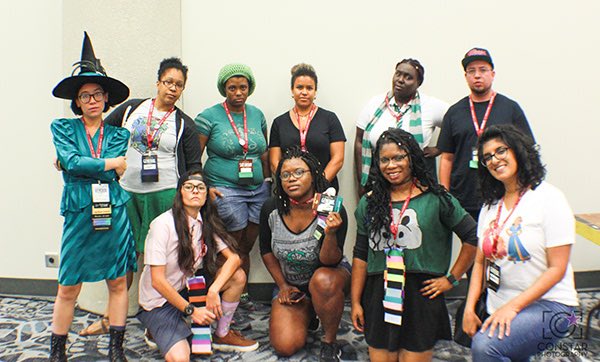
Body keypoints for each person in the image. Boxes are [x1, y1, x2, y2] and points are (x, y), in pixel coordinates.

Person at [82, 57, 202, 338]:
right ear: (158, 82)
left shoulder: (184, 123)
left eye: (179, 85)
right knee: (124, 259)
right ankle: (112, 318)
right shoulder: (132, 109)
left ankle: (161, 319)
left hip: (165, 197)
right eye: (169, 82)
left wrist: (199, 189)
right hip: (127, 195)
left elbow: (194, 164)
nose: (173, 88)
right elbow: (101, 131)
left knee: (164, 262)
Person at [351, 128, 477, 362]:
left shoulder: (438, 199)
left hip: (422, 293)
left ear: (413, 158)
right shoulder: (368, 204)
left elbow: (473, 237)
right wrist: (356, 301)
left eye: (398, 157)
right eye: (385, 159)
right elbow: (360, 255)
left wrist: (452, 279)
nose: (391, 165)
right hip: (380, 291)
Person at [49, 32, 136, 361]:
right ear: (77, 102)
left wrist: (79, 166)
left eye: (98, 94)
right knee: (68, 286)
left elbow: (78, 166)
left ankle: (116, 349)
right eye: (85, 96)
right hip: (77, 213)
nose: (93, 100)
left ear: (106, 98)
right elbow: (71, 162)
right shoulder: (62, 128)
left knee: (117, 282)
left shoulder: (119, 133)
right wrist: (111, 163)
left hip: (112, 212)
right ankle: (57, 352)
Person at [462, 125, 578, 361]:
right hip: (500, 305)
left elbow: (558, 268)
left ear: (518, 150)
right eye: (487, 157)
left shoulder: (549, 198)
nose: (495, 159)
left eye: (501, 150)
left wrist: (513, 307)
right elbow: (479, 262)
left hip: (551, 305)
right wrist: (469, 306)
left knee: (486, 348)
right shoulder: (489, 206)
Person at [137, 169, 259, 361]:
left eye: (201, 188)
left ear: (206, 195)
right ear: (180, 193)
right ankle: (155, 328)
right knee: (181, 358)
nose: (195, 191)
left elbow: (234, 259)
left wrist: (213, 290)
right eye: (189, 187)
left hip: (188, 288)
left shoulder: (204, 222)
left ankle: (222, 333)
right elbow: (157, 282)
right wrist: (191, 311)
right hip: (160, 301)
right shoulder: (162, 225)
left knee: (237, 276)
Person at [259, 147, 350, 361]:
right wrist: (282, 285)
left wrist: (330, 234)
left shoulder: (332, 209)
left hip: (328, 277)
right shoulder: (271, 208)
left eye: (299, 172)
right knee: (285, 345)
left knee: (322, 281)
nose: (292, 179)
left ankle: (329, 341)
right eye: (285, 175)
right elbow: (266, 250)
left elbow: (330, 260)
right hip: (291, 284)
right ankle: (309, 311)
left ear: (314, 175)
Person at [195, 64, 270, 309]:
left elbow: (264, 152)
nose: (238, 92)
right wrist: (204, 187)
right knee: (231, 245)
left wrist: (269, 182)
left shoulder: (257, 114)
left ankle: (242, 293)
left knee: (247, 245)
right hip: (225, 188)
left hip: (258, 190)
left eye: (243, 87)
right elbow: (195, 155)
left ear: (250, 88)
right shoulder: (209, 117)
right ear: (223, 89)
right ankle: (222, 292)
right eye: (232, 87)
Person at [437, 47, 534, 221]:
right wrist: (445, 195)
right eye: (471, 71)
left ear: (493, 74)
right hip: (464, 198)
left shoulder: (511, 108)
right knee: (471, 246)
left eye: (483, 70)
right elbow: (447, 158)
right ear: (466, 76)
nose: (477, 75)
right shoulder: (454, 112)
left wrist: (526, 188)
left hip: (504, 194)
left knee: (501, 245)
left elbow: (527, 151)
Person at [355, 59, 448, 194]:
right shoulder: (375, 103)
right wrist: (361, 180)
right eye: (398, 74)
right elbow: (359, 139)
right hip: (379, 179)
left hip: (418, 183)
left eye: (408, 77)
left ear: (418, 83)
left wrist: (440, 148)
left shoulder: (430, 105)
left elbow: (456, 124)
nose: (400, 80)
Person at [269, 63, 346, 190]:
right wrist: (290, 183)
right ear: (292, 90)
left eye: (309, 88)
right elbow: (274, 162)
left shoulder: (330, 119)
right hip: (290, 190)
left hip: (323, 189)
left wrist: (319, 184)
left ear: (315, 92)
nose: (304, 92)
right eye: (299, 87)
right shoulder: (279, 123)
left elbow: (338, 159)